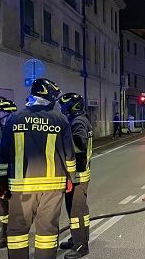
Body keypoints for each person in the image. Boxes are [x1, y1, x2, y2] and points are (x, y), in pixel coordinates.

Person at [0, 78, 76, 259]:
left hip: (21, 188)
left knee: (17, 233)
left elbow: (1, 157)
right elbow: (69, 155)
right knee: (47, 233)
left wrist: (2, 184)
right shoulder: (60, 119)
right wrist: (70, 178)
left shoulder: (15, 118)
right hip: (52, 187)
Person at [58, 93, 93, 259]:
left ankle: (81, 246)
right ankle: (78, 238)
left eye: (64, 105)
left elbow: (80, 145)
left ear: (72, 106)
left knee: (76, 211)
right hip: (77, 174)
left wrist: (63, 139)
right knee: (78, 209)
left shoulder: (77, 122)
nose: (61, 108)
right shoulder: (80, 119)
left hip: (77, 175)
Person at [0, 96, 17, 249]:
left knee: (8, 208)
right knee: (3, 208)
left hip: (10, 177)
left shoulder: (11, 130)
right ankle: (5, 235)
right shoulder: (1, 130)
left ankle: (9, 237)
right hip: (1, 176)